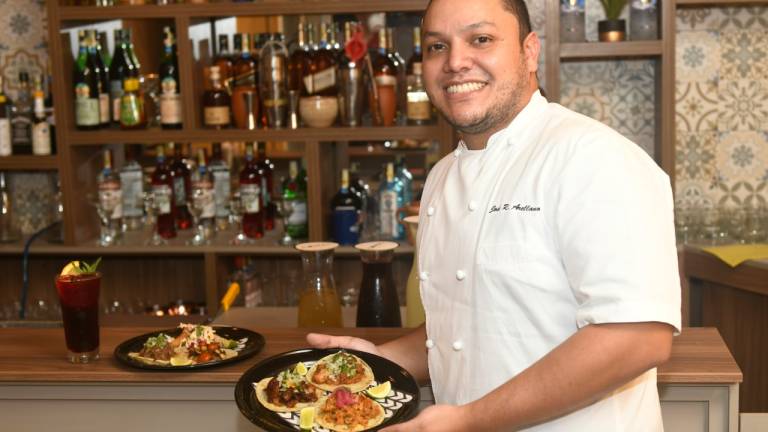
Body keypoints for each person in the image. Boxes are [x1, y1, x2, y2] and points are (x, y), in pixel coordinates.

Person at [308, 0, 681, 430]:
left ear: (529, 51)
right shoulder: (441, 178)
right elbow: (465, 326)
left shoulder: (594, 158)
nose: (455, 62)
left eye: (480, 39)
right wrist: (383, 361)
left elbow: (636, 339)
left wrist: (469, 420)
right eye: (436, 47)